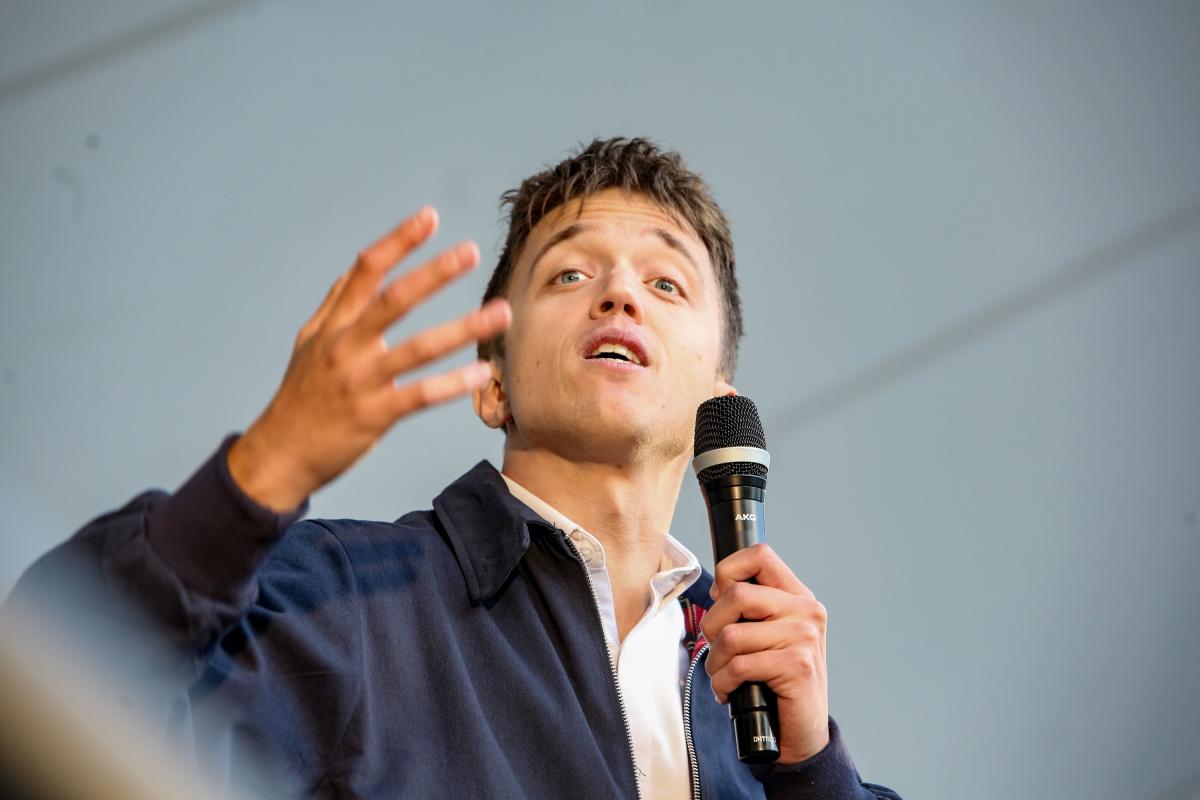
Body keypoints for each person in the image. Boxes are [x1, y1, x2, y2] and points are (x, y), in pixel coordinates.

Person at [4, 137, 901, 799]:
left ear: (720, 401)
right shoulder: (347, 603)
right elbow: (40, 696)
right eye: (568, 274)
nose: (620, 294)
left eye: (666, 283)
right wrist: (264, 466)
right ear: (493, 382)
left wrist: (812, 770)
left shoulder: (763, 711)